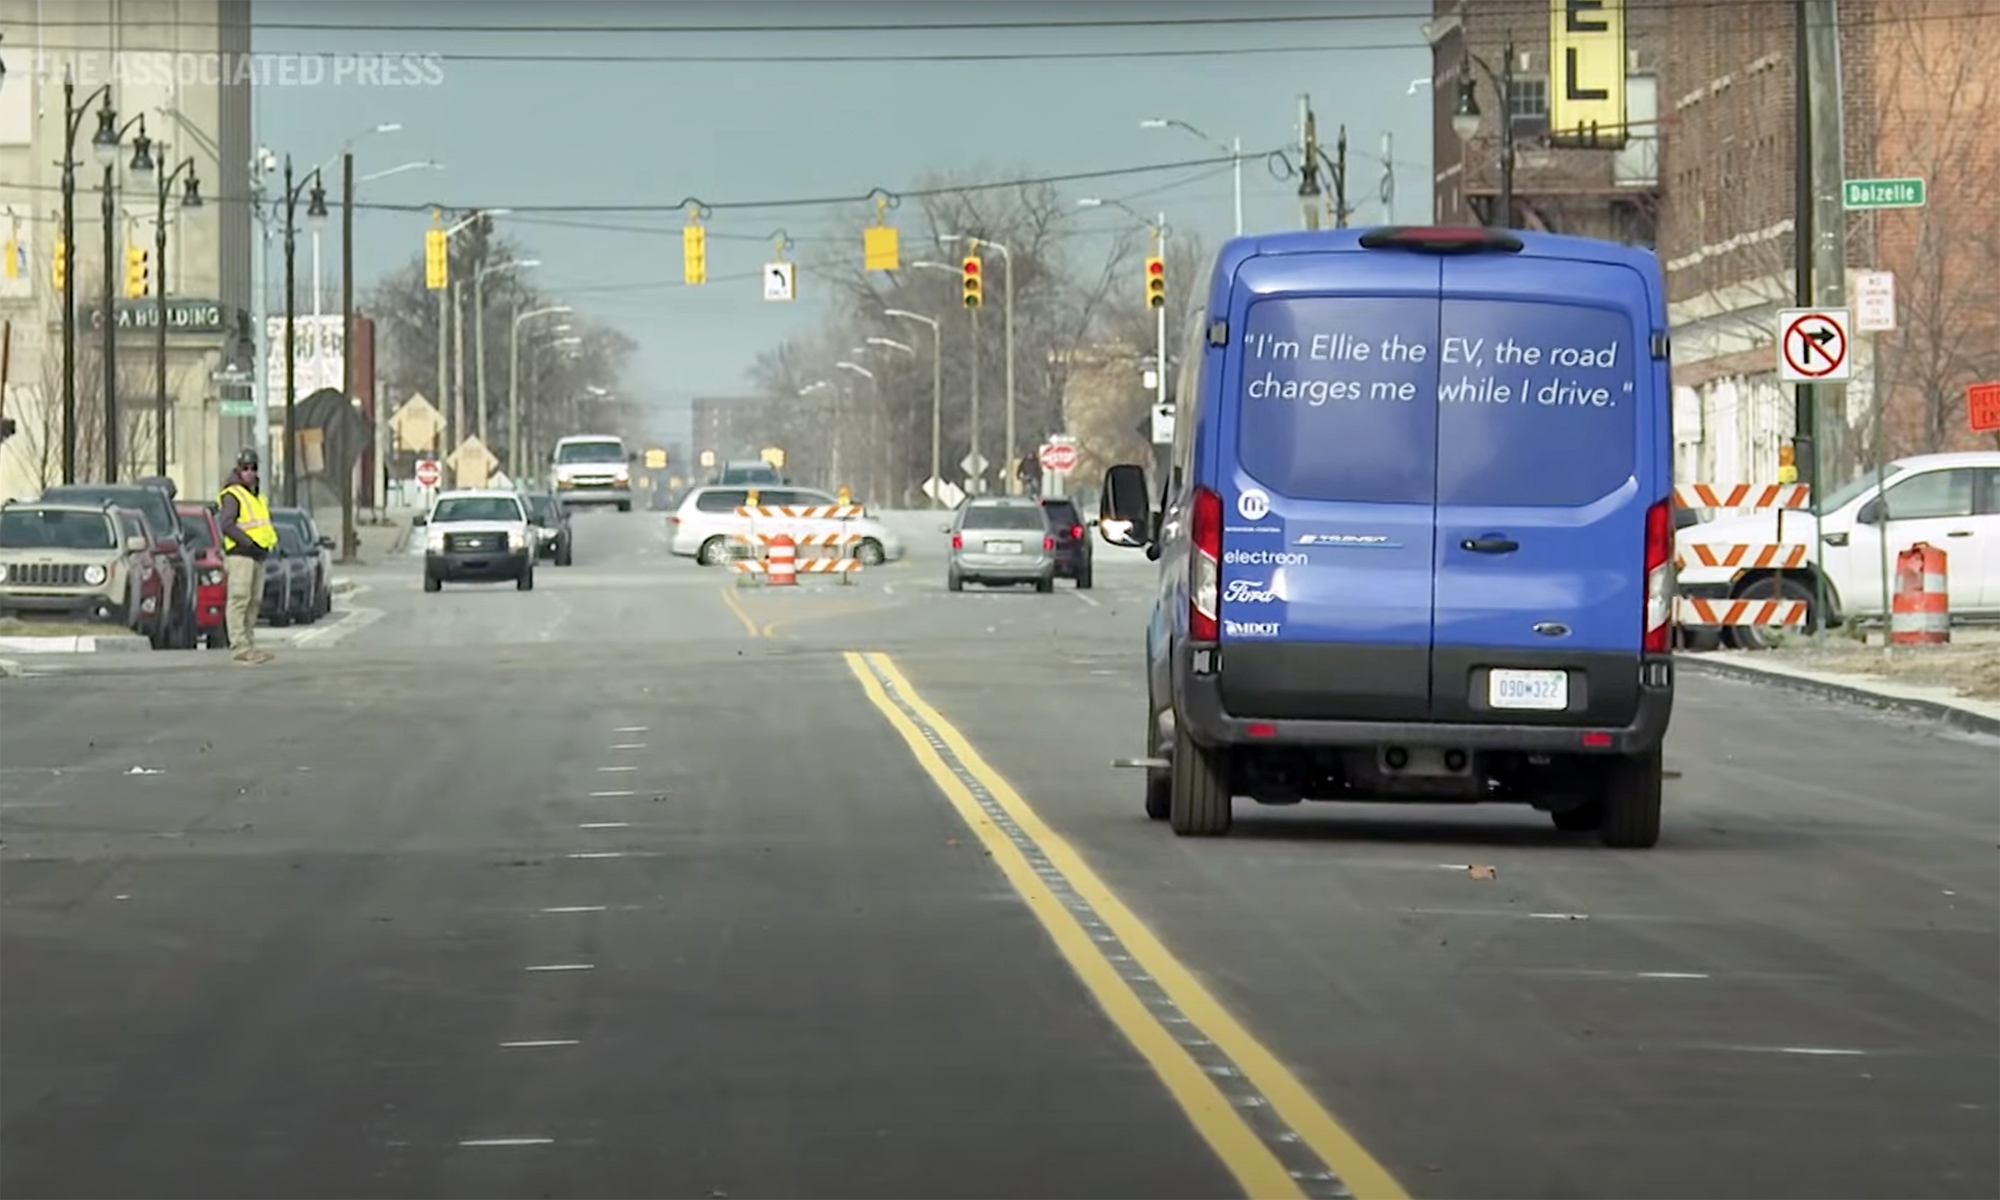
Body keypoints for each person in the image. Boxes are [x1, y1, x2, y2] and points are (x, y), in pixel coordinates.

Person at [216, 448, 278, 664]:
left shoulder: (258, 496)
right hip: (240, 555)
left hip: (258, 556)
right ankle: (239, 645)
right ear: (238, 469)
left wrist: (266, 545)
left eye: (253, 468)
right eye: (245, 468)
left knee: (254, 601)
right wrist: (247, 542)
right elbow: (226, 524)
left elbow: (262, 525)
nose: (249, 472)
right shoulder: (233, 494)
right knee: (239, 599)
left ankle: (249, 644)